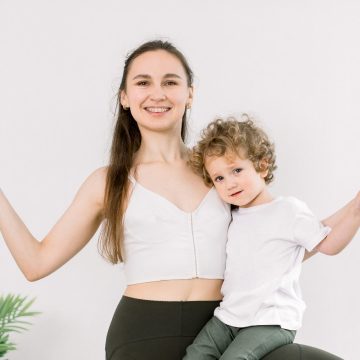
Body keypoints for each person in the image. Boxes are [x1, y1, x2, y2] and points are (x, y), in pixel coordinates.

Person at [0, 40, 353, 360]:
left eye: (170, 82)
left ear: (190, 94)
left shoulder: (220, 172)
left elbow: (283, 238)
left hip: (229, 329)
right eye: (143, 83)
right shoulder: (110, 182)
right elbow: (36, 262)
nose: (158, 94)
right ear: (124, 97)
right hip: (142, 334)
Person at [183, 116, 360, 360]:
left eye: (236, 170)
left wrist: (355, 209)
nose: (229, 183)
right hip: (228, 317)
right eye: (219, 178)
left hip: (271, 320)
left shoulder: (288, 210)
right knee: (194, 356)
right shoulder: (231, 215)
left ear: (262, 166)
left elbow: (327, 243)